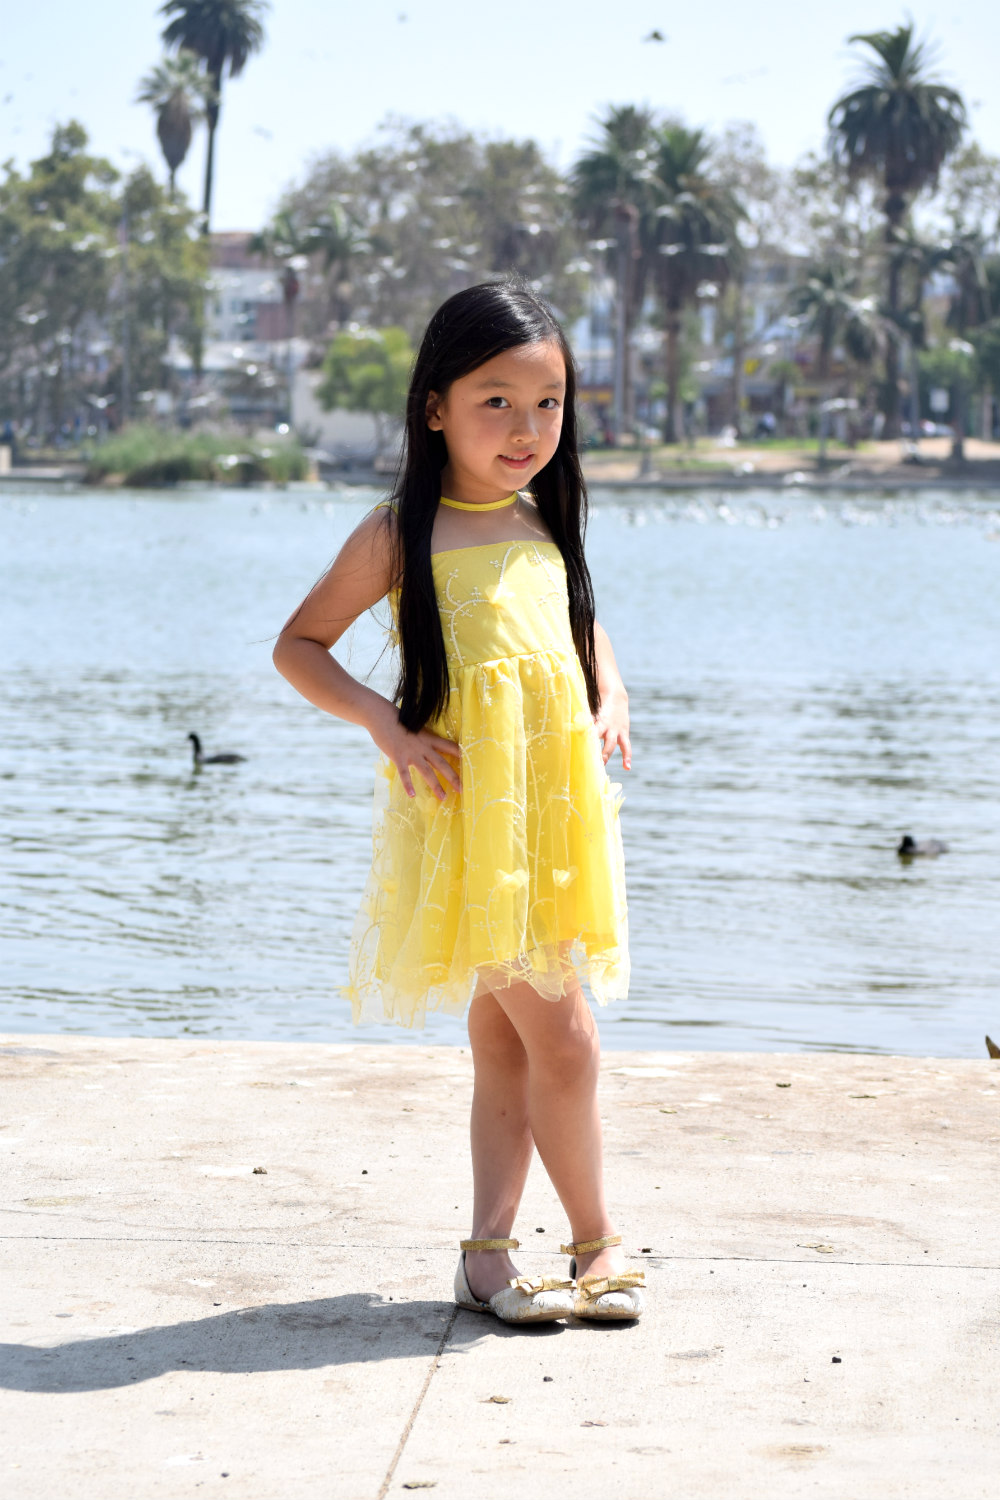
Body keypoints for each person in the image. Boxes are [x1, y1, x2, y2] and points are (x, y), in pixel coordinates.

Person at [273, 281, 643, 1325]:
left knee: (510, 1044)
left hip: (550, 819)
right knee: (566, 1039)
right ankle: (596, 1244)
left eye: (547, 404)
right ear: (435, 407)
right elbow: (298, 646)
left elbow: (578, 619)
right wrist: (386, 727)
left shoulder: (543, 518)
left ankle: (486, 1258)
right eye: (497, 403)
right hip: (473, 827)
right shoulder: (401, 531)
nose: (526, 429)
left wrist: (610, 690)